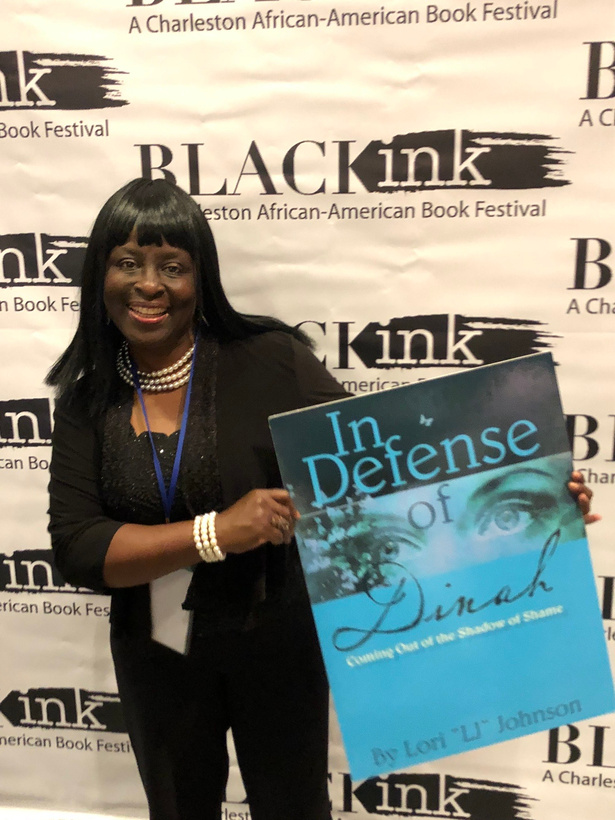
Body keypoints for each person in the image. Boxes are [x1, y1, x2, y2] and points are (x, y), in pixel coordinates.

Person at [47, 177, 596, 820]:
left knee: (295, 809)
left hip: (277, 640)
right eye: (127, 263)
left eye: (173, 266)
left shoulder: (270, 360)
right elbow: (79, 548)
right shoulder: (86, 401)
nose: (149, 285)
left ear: (201, 278)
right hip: (157, 651)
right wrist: (215, 532)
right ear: (100, 274)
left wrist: (532, 491)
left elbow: (382, 466)